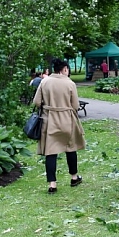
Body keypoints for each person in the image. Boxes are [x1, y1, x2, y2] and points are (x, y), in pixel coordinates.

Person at [33, 58, 86, 194]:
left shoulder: (45, 82)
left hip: (49, 119)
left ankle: (52, 185)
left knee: (50, 152)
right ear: (65, 69)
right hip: (67, 119)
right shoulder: (70, 83)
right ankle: (74, 178)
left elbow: (37, 102)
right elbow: (75, 106)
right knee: (71, 148)